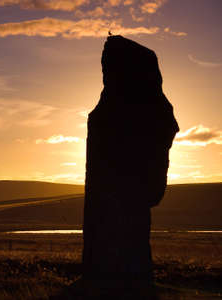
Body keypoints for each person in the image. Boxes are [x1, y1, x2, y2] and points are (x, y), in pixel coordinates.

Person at [82, 35, 179, 295]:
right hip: (117, 198)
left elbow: (165, 124)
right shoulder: (128, 110)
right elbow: (167, 123)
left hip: (123, 196)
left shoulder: (123, 111)